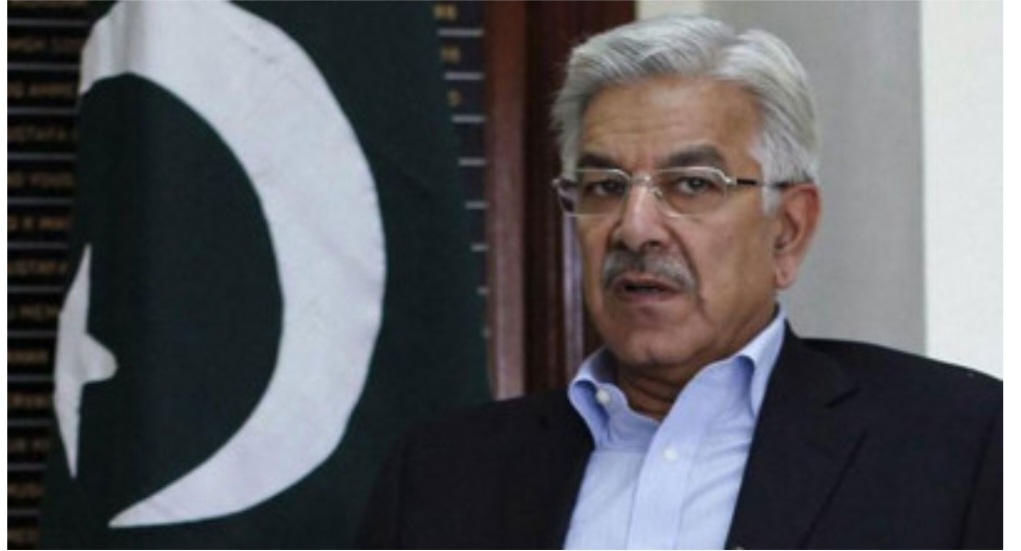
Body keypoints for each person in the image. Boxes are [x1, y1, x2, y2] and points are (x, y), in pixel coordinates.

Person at [356, 14, 1001, 550]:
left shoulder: (961, 446)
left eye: (692, 184)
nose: (635, 228)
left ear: (787, 232)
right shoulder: (442, 475)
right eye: (604, 186)